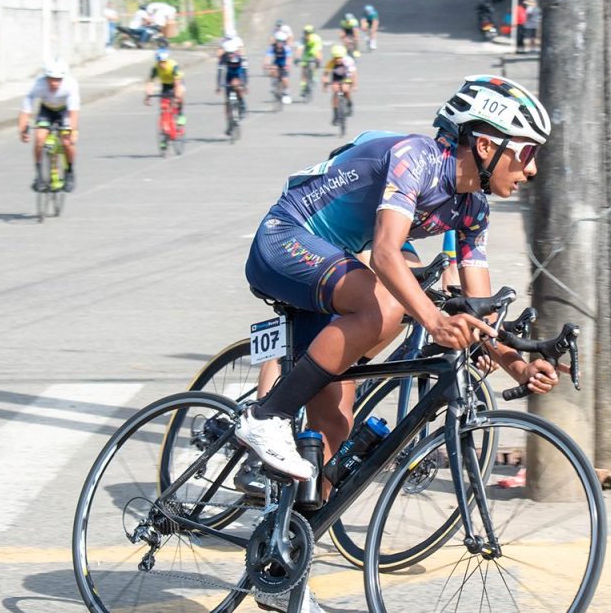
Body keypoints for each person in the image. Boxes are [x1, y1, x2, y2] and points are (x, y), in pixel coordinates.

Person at [236, 74, 558, 493]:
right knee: (385, 307)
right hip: (285, 239)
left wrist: (520, 367)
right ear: (484, 145)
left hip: (333, 263)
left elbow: (480, 308)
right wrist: (435, 321)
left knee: (335, 424)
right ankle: (265, 417)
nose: (531, 169)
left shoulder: (473, 208)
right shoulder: (416, 157)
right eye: (527, 152)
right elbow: (387, 253)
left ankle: (286, 539)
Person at [18, 60, 80, 192]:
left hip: (64, 112)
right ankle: (39, 175)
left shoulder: (70, 85)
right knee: (40, 138)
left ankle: (69, 172)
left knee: (67, 142)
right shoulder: (39, 85)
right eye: (51, 79)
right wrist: (23, 130)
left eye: (58, 80)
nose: (54, 83)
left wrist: (72, 131)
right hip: (46, 110)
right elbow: (26, 108)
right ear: (46, 77)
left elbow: (73, 111)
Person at [145, 48, 186, 126]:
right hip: (166, 83)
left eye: (164, 62)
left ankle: (181, 115)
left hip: (177, 81)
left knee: (179, 96)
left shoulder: (173, 65)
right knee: (164, 102)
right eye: (160, 62)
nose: (162, 64)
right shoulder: (155, 68)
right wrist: (148, 95)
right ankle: (165, 118)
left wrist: (177, 94)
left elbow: (177, 83)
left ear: (167, 61)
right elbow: (150, 82)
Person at [217, 38, 249, 130]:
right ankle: (229, 123)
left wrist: (244, 84)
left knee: (237, 86)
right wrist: (219, 86)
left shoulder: (241, 58)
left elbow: (245, 72)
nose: (230, 55)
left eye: (232, 52)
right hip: (229, 76)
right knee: (227, 102)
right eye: (228, 53)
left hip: (239, 75)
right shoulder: (224, 57)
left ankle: (242, 104)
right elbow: (220, 72)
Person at [323, 44, 357, 124]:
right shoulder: (331, 62)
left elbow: (354, 74)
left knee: (346, 89)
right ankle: (335, 114)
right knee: (335, 91)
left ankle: (349, 103)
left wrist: (354, 85)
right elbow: (325, 75)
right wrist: (325, 86)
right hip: (336, 77)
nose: (338, 60)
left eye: (340, 58)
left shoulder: (348, 61)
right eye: (336, 58)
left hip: (346, 76)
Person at [266, 30, 293, 104]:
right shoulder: (272, 47)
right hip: (276, 63)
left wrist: (287, 65)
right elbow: (268, 57)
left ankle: (286, 92)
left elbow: (289, 58)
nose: (280, 43)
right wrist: (266, 64)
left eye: (282, 41)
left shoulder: (286, 48)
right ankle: (273, 84)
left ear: (284, 42)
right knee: (272, 69)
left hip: (284, 63)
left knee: (284, 79)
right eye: (278, 41)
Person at [296, 24, 324, 95]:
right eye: (306, 33)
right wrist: (296, 58)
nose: (308, 35)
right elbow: (299, 49)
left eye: (309, 33)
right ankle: (303, 87)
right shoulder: (302, 39)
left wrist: (319, 60)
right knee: (303, 68)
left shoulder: (317, 39)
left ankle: (314, 75)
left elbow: (318, 51)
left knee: (316, 60)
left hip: (314, 49)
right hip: (306, 52)